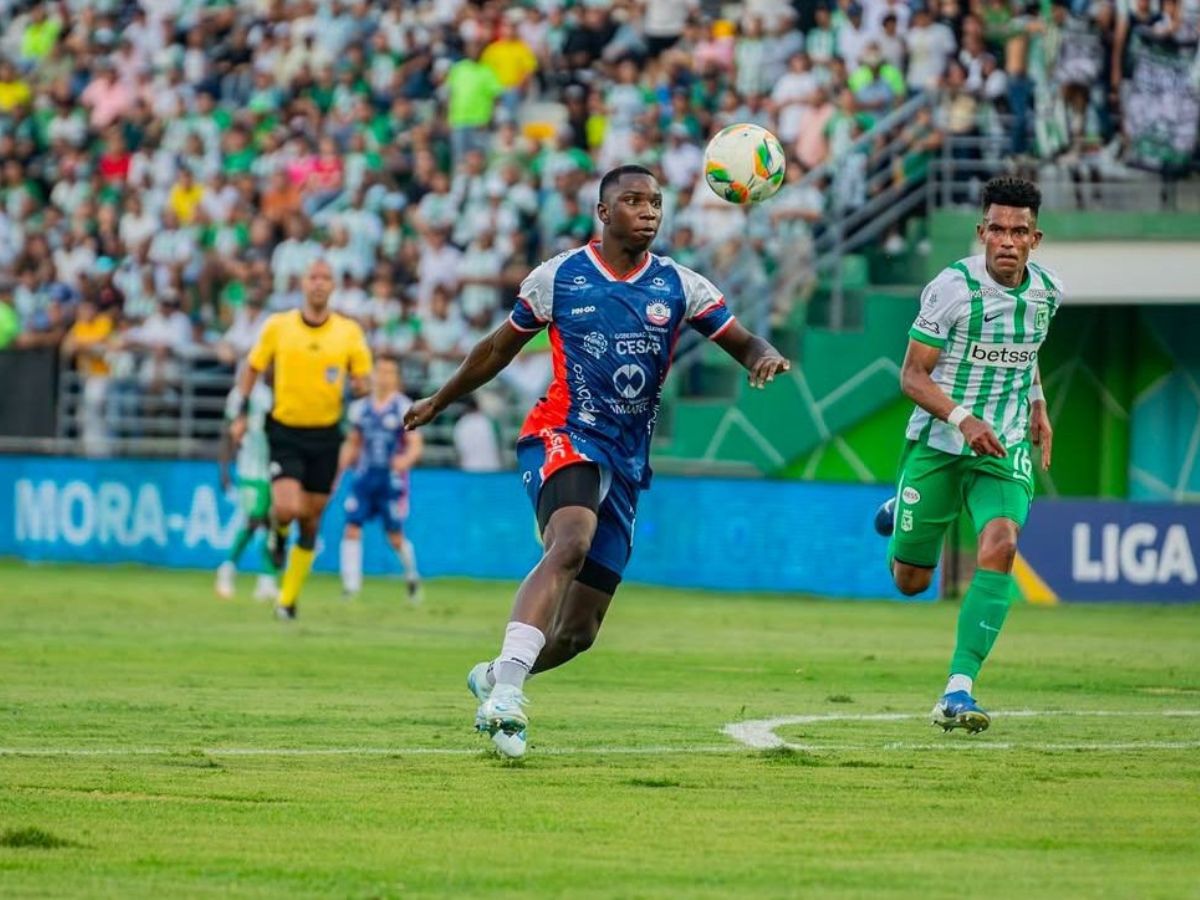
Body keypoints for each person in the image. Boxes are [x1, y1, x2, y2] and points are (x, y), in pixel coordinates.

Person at [404, 165, 790, 758]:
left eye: (656, 202)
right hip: (563, 432)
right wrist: (440, 399)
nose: (648, 212)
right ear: (603, 213)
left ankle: (496, 675)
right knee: (570, 543)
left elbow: (743, 341)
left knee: (578, 633)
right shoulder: (558, 278)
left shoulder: (681, 286)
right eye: (633, 201)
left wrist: (764, 358)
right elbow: (495, 350)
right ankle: (507, 698)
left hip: (627, 458)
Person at [873, 177, 1062, 734]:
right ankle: (898, 511)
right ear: (982, 232)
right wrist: (963, 418)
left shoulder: (1049, 293)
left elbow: (1025, 356)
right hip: (940, 441)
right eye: (998, 229)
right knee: (910, 581)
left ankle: (959, 687)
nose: (1007, 240)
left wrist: (1038, 403)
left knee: (1001, 544)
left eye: (1019, 231)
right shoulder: (951, 289)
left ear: (1036, 238)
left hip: (1000, 445)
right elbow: (912, 375)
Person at [232, 259, 373, 620]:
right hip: (284, 430)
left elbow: (363, 379)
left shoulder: (348, 332)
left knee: (311, 521)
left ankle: (287, 600)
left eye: (325, 278)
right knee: (287, 508)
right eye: (313, 277)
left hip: (326, 434)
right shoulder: (279, 326)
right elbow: (252, 368)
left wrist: (360, 386)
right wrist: (240, 413)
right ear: (302, 284)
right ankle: (278, 534)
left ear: (333, 286)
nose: (319, 284)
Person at [338, 355, 425, 602]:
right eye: (380, 371)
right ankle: (351, 587)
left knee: (395, 537)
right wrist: (342, 468)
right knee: (352, 527)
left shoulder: (403, 407)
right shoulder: (359, 408)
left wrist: (404, 461)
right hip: (364, 478)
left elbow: (415, 444)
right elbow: (353, 443)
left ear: (396, 378)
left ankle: (411, 577)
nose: (384, 377)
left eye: (389, 372)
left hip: (390, 482)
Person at [216, 377, 278, 602]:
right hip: (251, 468)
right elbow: (228, 431)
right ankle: (227, 568)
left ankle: (267, 580)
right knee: (255, 519)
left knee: (274, 523)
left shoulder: (288, 391)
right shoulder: (246, 393)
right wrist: (224, 469)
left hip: (278, 467)